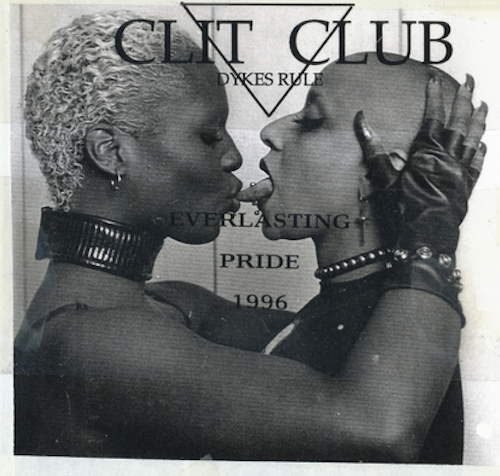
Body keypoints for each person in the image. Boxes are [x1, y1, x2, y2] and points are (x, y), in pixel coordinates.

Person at [14, 11, 486, 462]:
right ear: (111, 153)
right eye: (208, 135)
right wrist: (430, 235)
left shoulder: (174, 307)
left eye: (311, 120)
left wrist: (398, 217)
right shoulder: (92, 339)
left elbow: (340, 333)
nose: (238, 154)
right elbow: (379, 424)